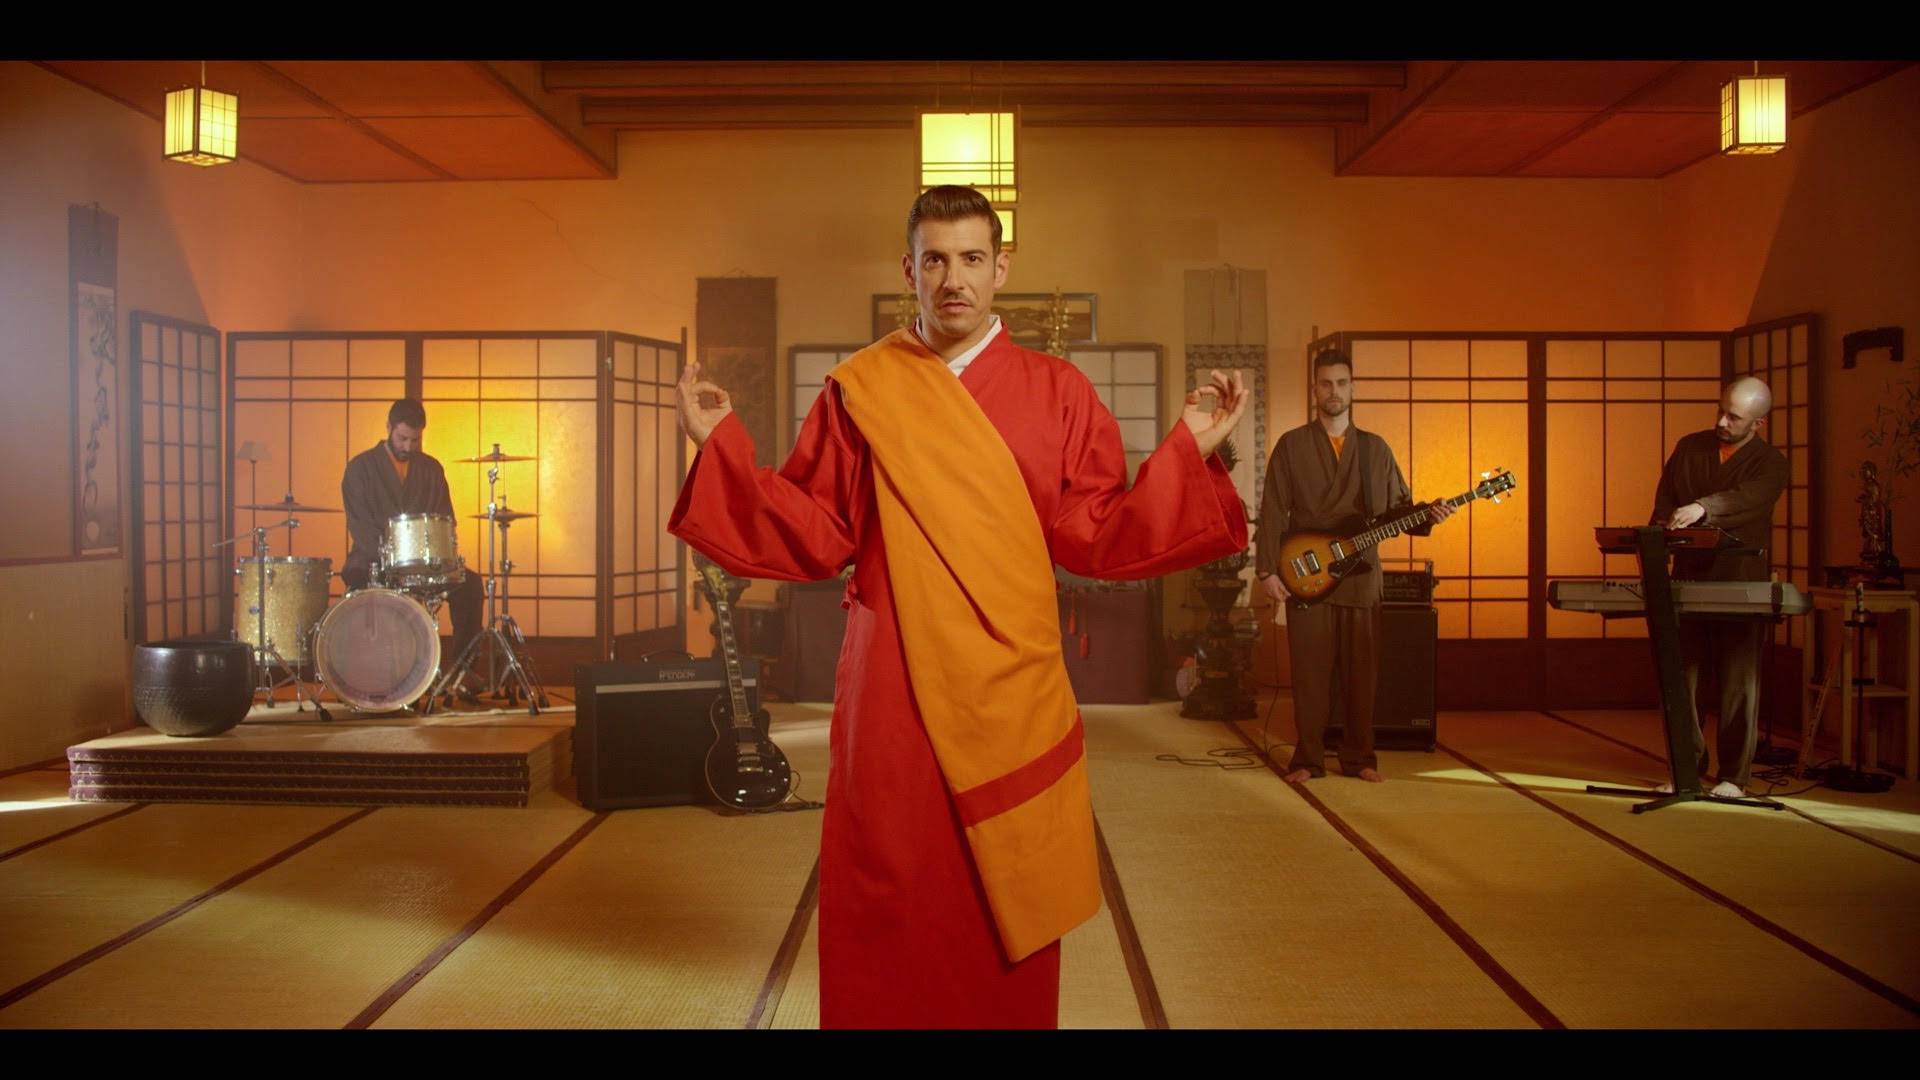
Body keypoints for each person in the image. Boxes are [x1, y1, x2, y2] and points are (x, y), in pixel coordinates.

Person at [668, 185, 1249, 1028]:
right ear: (909, 270)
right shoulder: (862, 389)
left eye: (972, 258)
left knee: (1005, 891)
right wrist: (717, 447)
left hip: (1012, 680)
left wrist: (1188, 449)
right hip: (892, 682)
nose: (954, 279)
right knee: (888, 883)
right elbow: (817, 529)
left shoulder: (1059, 391)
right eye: (934, 259)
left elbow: (1096, 533)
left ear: (1001, 267)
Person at [1255, 348, 1455, 783]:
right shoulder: (1292, 445)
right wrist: (1268, 570)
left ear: (1352, 388)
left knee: (1362, 673)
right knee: (1309, 673)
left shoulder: (1374, 449)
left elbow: (1398, 509)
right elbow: (1272, 509)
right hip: (1307, 572)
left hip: (1361, 575)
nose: (1334, 391)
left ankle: (1359, 757)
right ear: (1314, 389)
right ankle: (1308, 759)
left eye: (1342, 383)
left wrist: (1428, 516)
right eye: (1326, 383)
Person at [1651, 376, 1788, 798]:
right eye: (1721, 411)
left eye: (1734, 417)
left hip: (1740, 577)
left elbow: (1747, 499)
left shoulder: (1771, 463)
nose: (1722, 422)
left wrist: (1701, 508)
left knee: (1737, 682)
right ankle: (1685, 767)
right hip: (1688, 573)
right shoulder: (1690, 447)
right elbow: (1665, 499)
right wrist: (1659, 532)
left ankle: (1734, 776)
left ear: (1758, 424)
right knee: (1683, 677)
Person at [339, 398, 484, 692]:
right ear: (389, 428)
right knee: (368, 581)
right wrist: (392, 560)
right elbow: (360, 525)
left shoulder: (431, 469)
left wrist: (437, 556)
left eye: (415, 440)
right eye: (402, 438)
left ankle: (462, 673)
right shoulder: (360, 468)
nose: (408, 446)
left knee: (471, 585)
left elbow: (445, 518)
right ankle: (384, 675)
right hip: (373, 561)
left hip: (424, 563)